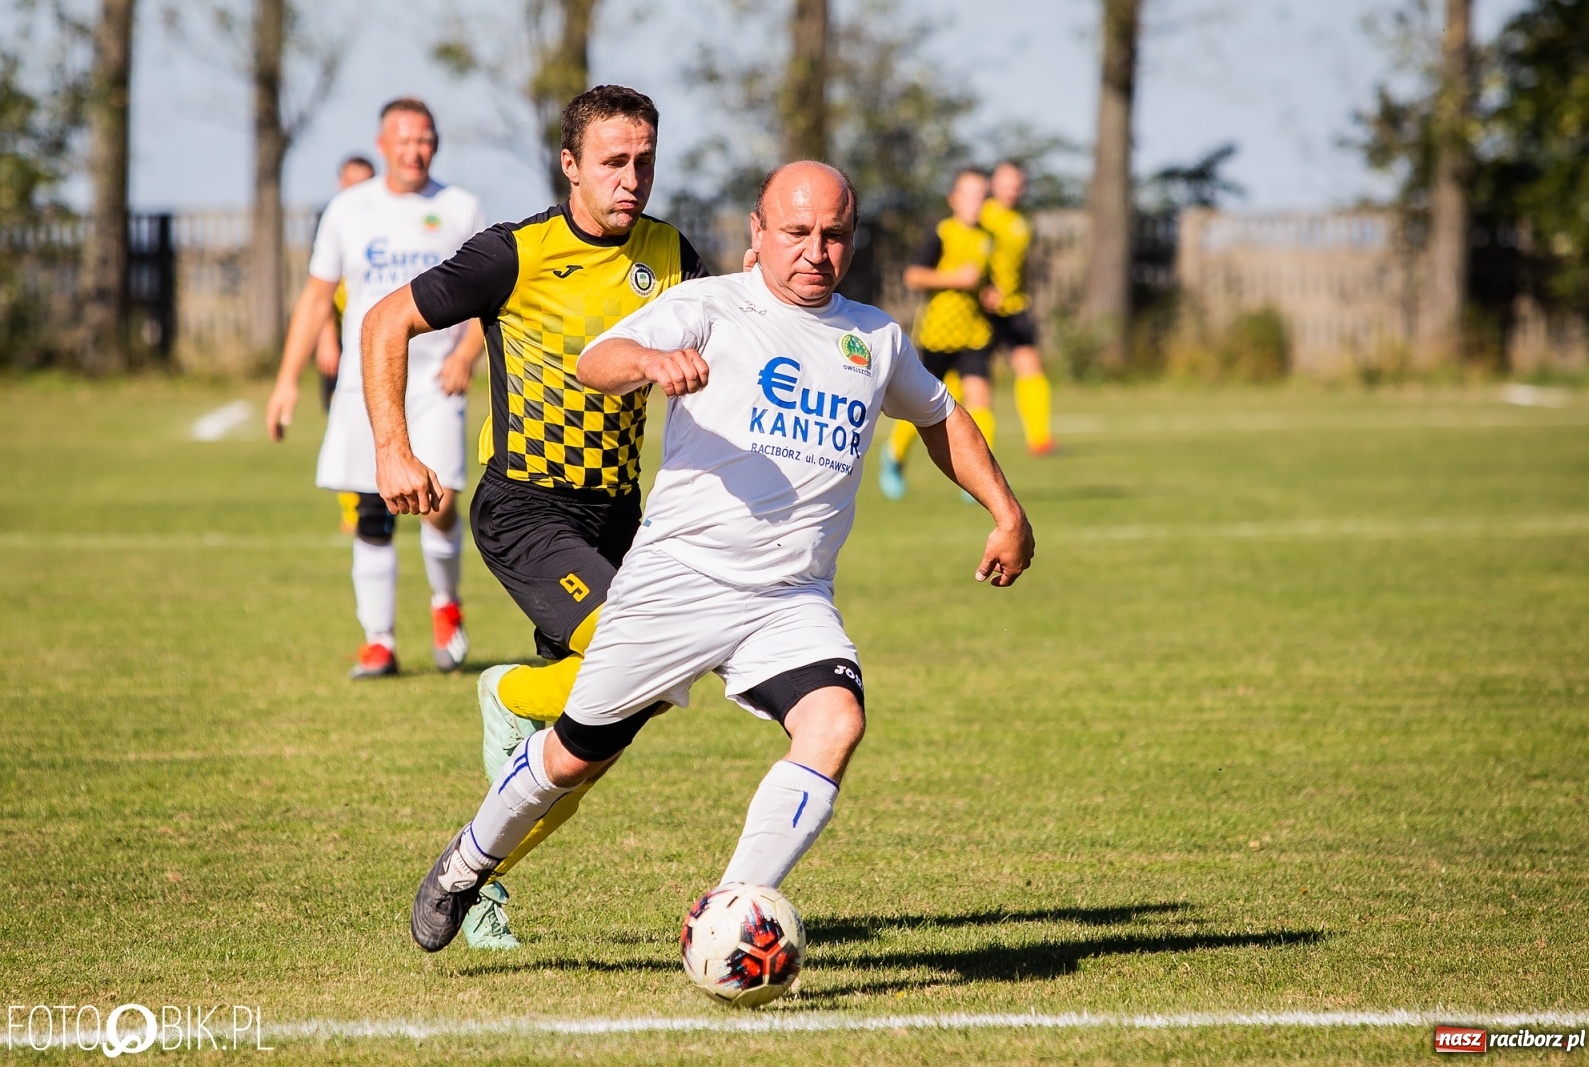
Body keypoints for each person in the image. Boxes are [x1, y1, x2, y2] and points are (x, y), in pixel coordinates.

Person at [403, 160, 1035, 955]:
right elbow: (596, 359)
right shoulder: (709, 305)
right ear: (758, 235)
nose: (815, 251)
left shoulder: (873, 336)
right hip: (677, 584)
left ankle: (732, 907)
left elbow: (941, 418)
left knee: (837, 720)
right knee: (569, 757)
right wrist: (650, 363)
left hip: (791, 598)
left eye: (833, 235)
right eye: (797, 233)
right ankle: (465, 863)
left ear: (852, 238)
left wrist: (1006, 511)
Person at [363, 85, 707, 950]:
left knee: (594, 741)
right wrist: (393, 451)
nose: (633, 179)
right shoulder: (514, 253)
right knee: (640, 659)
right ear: (571, 166)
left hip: (621, 517)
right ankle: (508, 690)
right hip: (527, 508)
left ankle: (477, 877)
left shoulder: (672, 252)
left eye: (645, 162)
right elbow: (383, 321)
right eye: (614, 163)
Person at [265, 99, 485, 680]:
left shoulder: (459, 209)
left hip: (436, 383)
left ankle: (446, 607)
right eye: (405, 139)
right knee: (371, 506)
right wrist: (287, 381)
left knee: (438, 503)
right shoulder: (348, 210)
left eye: (426, 139)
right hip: (367, 385)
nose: (416, 150)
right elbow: (318, 297)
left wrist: (465, 354)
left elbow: (491, 300)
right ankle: (379, 642)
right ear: (382, 143)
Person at [879, 168, 997, 501]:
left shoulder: (988, 238)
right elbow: (914, 276)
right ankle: (894, 456)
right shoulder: (943, 233)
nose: (976, 202)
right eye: (969, 195)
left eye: (982, 195)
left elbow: (982, 280)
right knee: (923, 405)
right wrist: (955, 278)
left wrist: (989, 293)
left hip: (974, 333)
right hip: (938, 335)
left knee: (980, 401)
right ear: (954, 199)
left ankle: (977, 479)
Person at [315, 154, 377, 536]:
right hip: (342, 347)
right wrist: (325, 340)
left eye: (364, 181)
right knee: (346, 425)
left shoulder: (384, 220)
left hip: (377, 346)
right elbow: (319, 290)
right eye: (351, 180)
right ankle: (353, 510)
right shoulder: (336, 220)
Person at [981, 160, 1056, 456]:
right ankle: (899, 450)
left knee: (1030, 365)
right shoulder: (983, 216)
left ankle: (1039, 438)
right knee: (961, 382)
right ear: (993, 183)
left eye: (1019, 183)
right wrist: (983, 288)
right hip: (981, 308)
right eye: (1007, 182)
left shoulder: (1022, 222)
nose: (1014, 188)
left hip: (1013, 306)